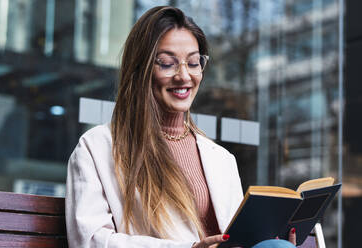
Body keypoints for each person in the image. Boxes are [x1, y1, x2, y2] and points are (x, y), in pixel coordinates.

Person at [66, 6, 297, 248]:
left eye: (194, 62)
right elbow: (89, 241)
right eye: (167, 64)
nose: (184, 76)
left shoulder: (221, 158)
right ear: (140, 69)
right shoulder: (96, 148)